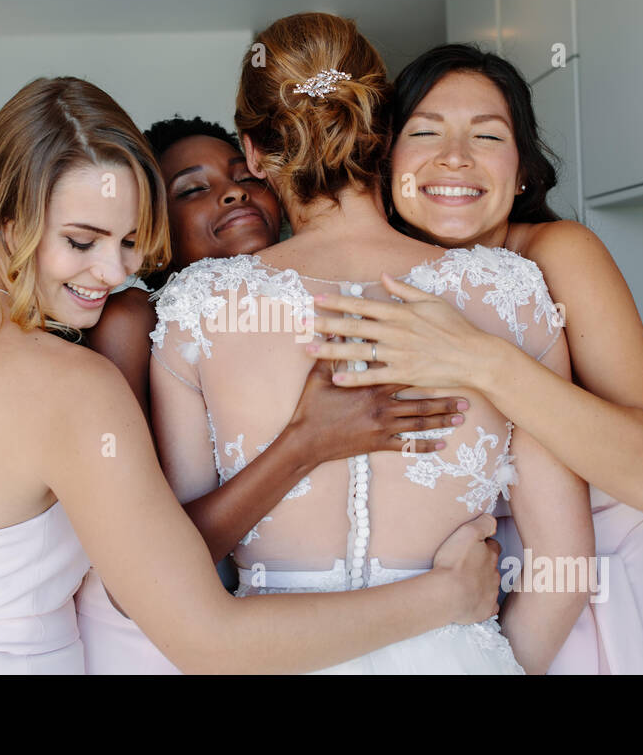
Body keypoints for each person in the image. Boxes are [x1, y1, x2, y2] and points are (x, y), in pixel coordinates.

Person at [0, 75, 505, 675]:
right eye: (81, 241)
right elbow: (208, 643)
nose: (112, 274)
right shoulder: (73, 386)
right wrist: (446, 598)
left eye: (131, 241)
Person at [148, 13, 594, 674]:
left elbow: (181, 565)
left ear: (252, 152)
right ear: (383, 129)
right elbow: (566, 571)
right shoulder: (508, 292)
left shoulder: (196, 309)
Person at [306, 43, 643, 673]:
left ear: (521, 169)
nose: (455, 158)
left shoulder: (559, 255)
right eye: (426, 132)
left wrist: (483, 362)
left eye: (488, 136)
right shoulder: (363, 288)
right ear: (385, 162)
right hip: (459, 631)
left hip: (604, 626)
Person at [78, 117, 473, 674]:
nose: (232, 191)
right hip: (157, 638)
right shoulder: (135, 320)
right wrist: (307, 443)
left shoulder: (303, 307)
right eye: (192, 189)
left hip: (285, 633)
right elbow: (146, 562)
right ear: (153, 230)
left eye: (245, 177)